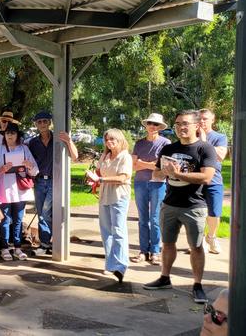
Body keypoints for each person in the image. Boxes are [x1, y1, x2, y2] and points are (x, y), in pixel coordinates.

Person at [143, 110, 217, 304]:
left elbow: (207, 177)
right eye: (177, 124)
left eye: (185, 124)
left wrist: (179, 174)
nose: (181, 127)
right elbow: (157, 174)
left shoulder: (205, 149)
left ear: (196, 125)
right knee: (167, 244)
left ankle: (197, 285)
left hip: (194, 206)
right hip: (169, 204)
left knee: (196, 246)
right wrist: (164, 173)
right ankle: (164, 277)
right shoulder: (168, 148)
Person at [27, 111, 78, 254]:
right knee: (42, 213)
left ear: (50, 123)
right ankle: (45, 244)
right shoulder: (33, 143)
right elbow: (29, 162)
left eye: (45, 121)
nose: (42, 124)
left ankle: (49, 243)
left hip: (54, 181)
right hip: (38, 182)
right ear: (36, 125)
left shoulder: (58, 138)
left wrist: (68, 140)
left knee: (45, 212)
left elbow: (75, 156)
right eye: (39, 122)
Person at [85, 129, 132, 283]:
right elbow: (99, 172)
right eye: (107, 140)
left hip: (119, 196)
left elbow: (123, 178)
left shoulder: (125, 157)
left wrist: (100, 180)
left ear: (120, 140)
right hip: (104, 196)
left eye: (113, 139)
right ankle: (110, 264)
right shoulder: (105, 155)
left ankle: (121, 265)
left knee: (118, 230)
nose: (109, 142)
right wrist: (93, 180)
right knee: (106, 231)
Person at [0, 122, 39, 261]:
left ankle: (17, 247)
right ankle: (4, 247)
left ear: (17, 135)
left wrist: (29, 166)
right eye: (7, 133)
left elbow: (35, 170)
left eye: (13, 133)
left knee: (18, 219)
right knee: (4, 219)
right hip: (4, 190)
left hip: (20, 190)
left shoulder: (24, 149)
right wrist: (0, 170)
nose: (10, 135)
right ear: (4, 135)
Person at [130, 113, 171, 265]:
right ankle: (143, 250)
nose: (152, 126)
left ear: (160, 127)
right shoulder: (139, 143)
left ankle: (155, 251)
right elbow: (133, 165)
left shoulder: (166, 143)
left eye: (156, 124)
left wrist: (142, 162)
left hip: (158, 184)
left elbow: (161, 165)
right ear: (146, 125)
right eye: (150, 123)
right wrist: (151, 163)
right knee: (142, 219)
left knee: (155, 218)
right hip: (140, 183)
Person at [198, 108, 228, 254]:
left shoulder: (219, 137)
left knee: (214, 212)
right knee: (197, 212)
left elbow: (221, 156)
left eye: (205, 118)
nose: (202, 121)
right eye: (200, 118)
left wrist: (203, 141)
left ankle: (212, 237)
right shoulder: (192, 136)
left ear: (212, 120)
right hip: (196, 180)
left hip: (214, 181)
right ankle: (200, 240)